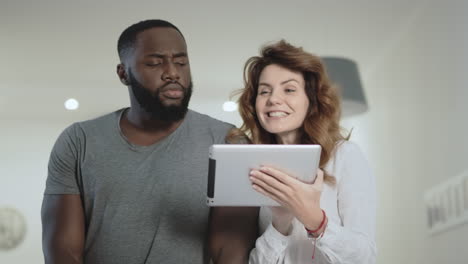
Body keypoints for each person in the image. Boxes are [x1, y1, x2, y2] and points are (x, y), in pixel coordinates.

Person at [41, 19, 258, 264]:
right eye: (155, 63)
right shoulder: (78, 142)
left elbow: (230, 250)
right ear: (124, 73)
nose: (172, 73)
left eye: (181, 62)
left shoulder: (228, 143)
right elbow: (62, 250)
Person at [230, 40, 376, 263]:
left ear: (311, 100)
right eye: (264, 91)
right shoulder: (255, 168)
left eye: (289, 89)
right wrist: (280, 223)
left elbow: (365, 257)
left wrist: (314, 219)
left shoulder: (345, 156)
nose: (273, 99)